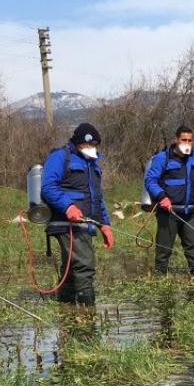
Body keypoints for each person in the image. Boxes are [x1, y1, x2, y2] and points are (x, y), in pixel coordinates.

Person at [40, 123, 114, 306]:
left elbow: (97, 197)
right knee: (84, 265)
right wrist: (68, 207)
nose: (90, 148)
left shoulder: (93, 165)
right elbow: (48, 187)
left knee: (72, 268)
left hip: (85, 224)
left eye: (94, 144)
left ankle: (66, 309)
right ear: (76, 143)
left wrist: (104, 224)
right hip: (65, 223)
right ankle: (87, 314)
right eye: (86, 144)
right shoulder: (59, 157)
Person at [144, 125, 194, 276]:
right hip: (168, 213)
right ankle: (159, 282)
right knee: (163, 252)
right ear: (176, 140)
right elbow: (150, 181)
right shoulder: (162, 158)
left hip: (189, 213)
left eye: (190, 140)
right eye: (184, 140)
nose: (187, 143)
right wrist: (162, 197)